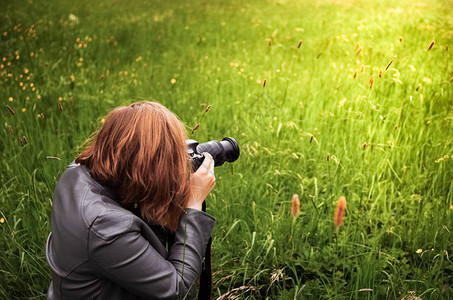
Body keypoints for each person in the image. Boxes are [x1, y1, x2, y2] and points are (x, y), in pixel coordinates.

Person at [45, 101, 216, 299]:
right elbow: (176, 289)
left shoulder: (76, 171)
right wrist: (193, 202)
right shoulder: (105, 227)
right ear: (148, 165)